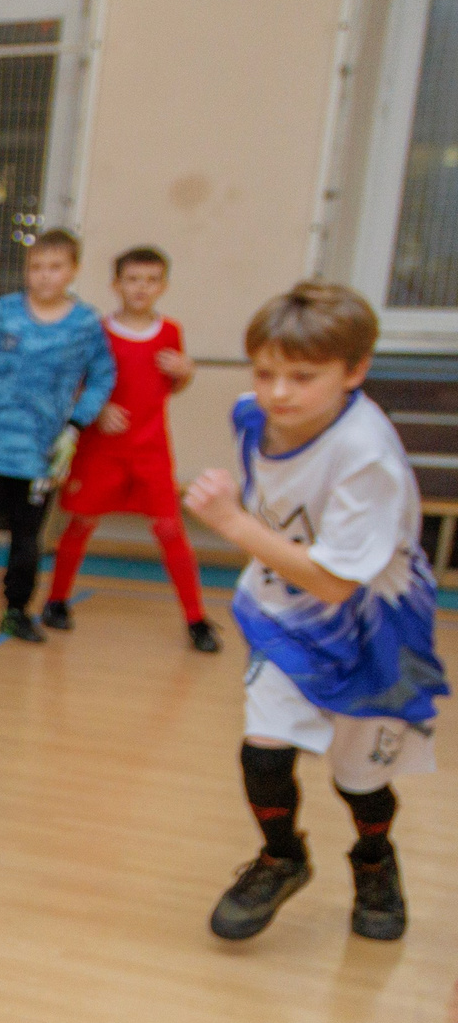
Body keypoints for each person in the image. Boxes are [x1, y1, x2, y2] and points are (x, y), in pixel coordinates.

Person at [184, 282, 444, 943]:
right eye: (265, 373)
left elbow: (332, 584)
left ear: (354, 372)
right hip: (283, 609)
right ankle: (282, 858)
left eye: (303, 377)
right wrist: (244, 509)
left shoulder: (367, 455)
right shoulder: (253, 417)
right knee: (264, 752)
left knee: (360, 783)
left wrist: (232, 522)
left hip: (373, 626)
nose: (279, 392)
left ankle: (375, 861)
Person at [0, 228, 116, 643]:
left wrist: (74, 428)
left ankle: (16, 611)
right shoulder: (3, 312)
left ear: (73, 270)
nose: (45, 276)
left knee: (27, 541)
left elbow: (103, 378)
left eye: (55, 267)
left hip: (39, 455)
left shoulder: (85, 324)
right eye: (36, 267)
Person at [39, 246, 220, 652]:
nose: (142, 288)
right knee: (81, 522)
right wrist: (98, 408)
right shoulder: (97, 331)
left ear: (163, 286)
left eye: (151, 280)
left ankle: (196, 619)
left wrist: (186, 373)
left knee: (170, 529)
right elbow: (73, 382)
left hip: (150, 449)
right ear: (116, 284)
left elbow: (169, 385)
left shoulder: (170, 331)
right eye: (133, 279)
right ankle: (56, 600)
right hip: (101, 449)